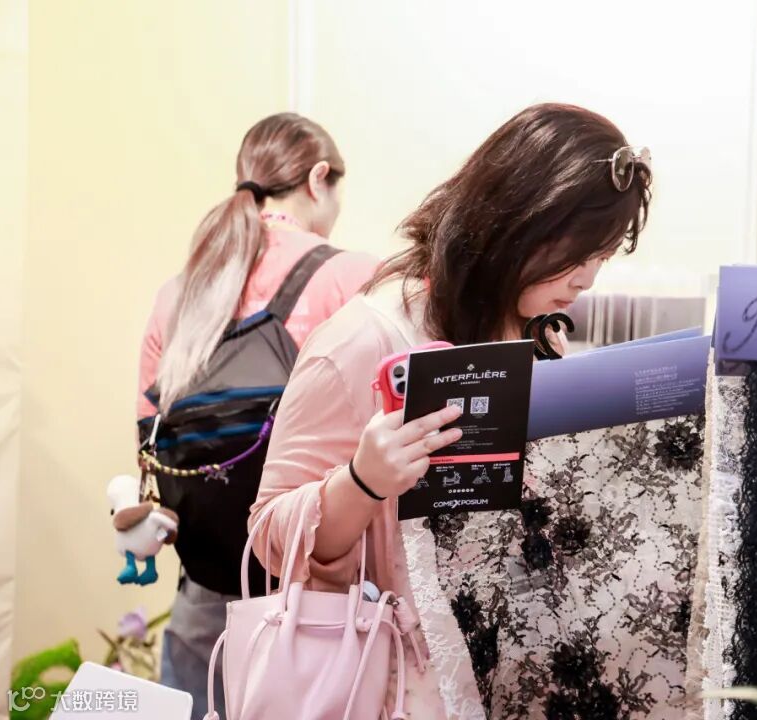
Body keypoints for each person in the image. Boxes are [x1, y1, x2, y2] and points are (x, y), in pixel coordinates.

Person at [249, 102, 651, 715]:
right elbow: (270, 537)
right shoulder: (362, 340)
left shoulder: (538, 332)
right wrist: (362, 482)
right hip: (400, 684)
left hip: (513, 674)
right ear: (516, 223)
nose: (588, 280)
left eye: (603, 256)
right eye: (578, 254)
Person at [136, 113, 376, 719]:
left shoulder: (178, 293)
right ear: (319, 178)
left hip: (202, 588)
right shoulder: (349, 276)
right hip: (312, 604)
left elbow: (147, 435)